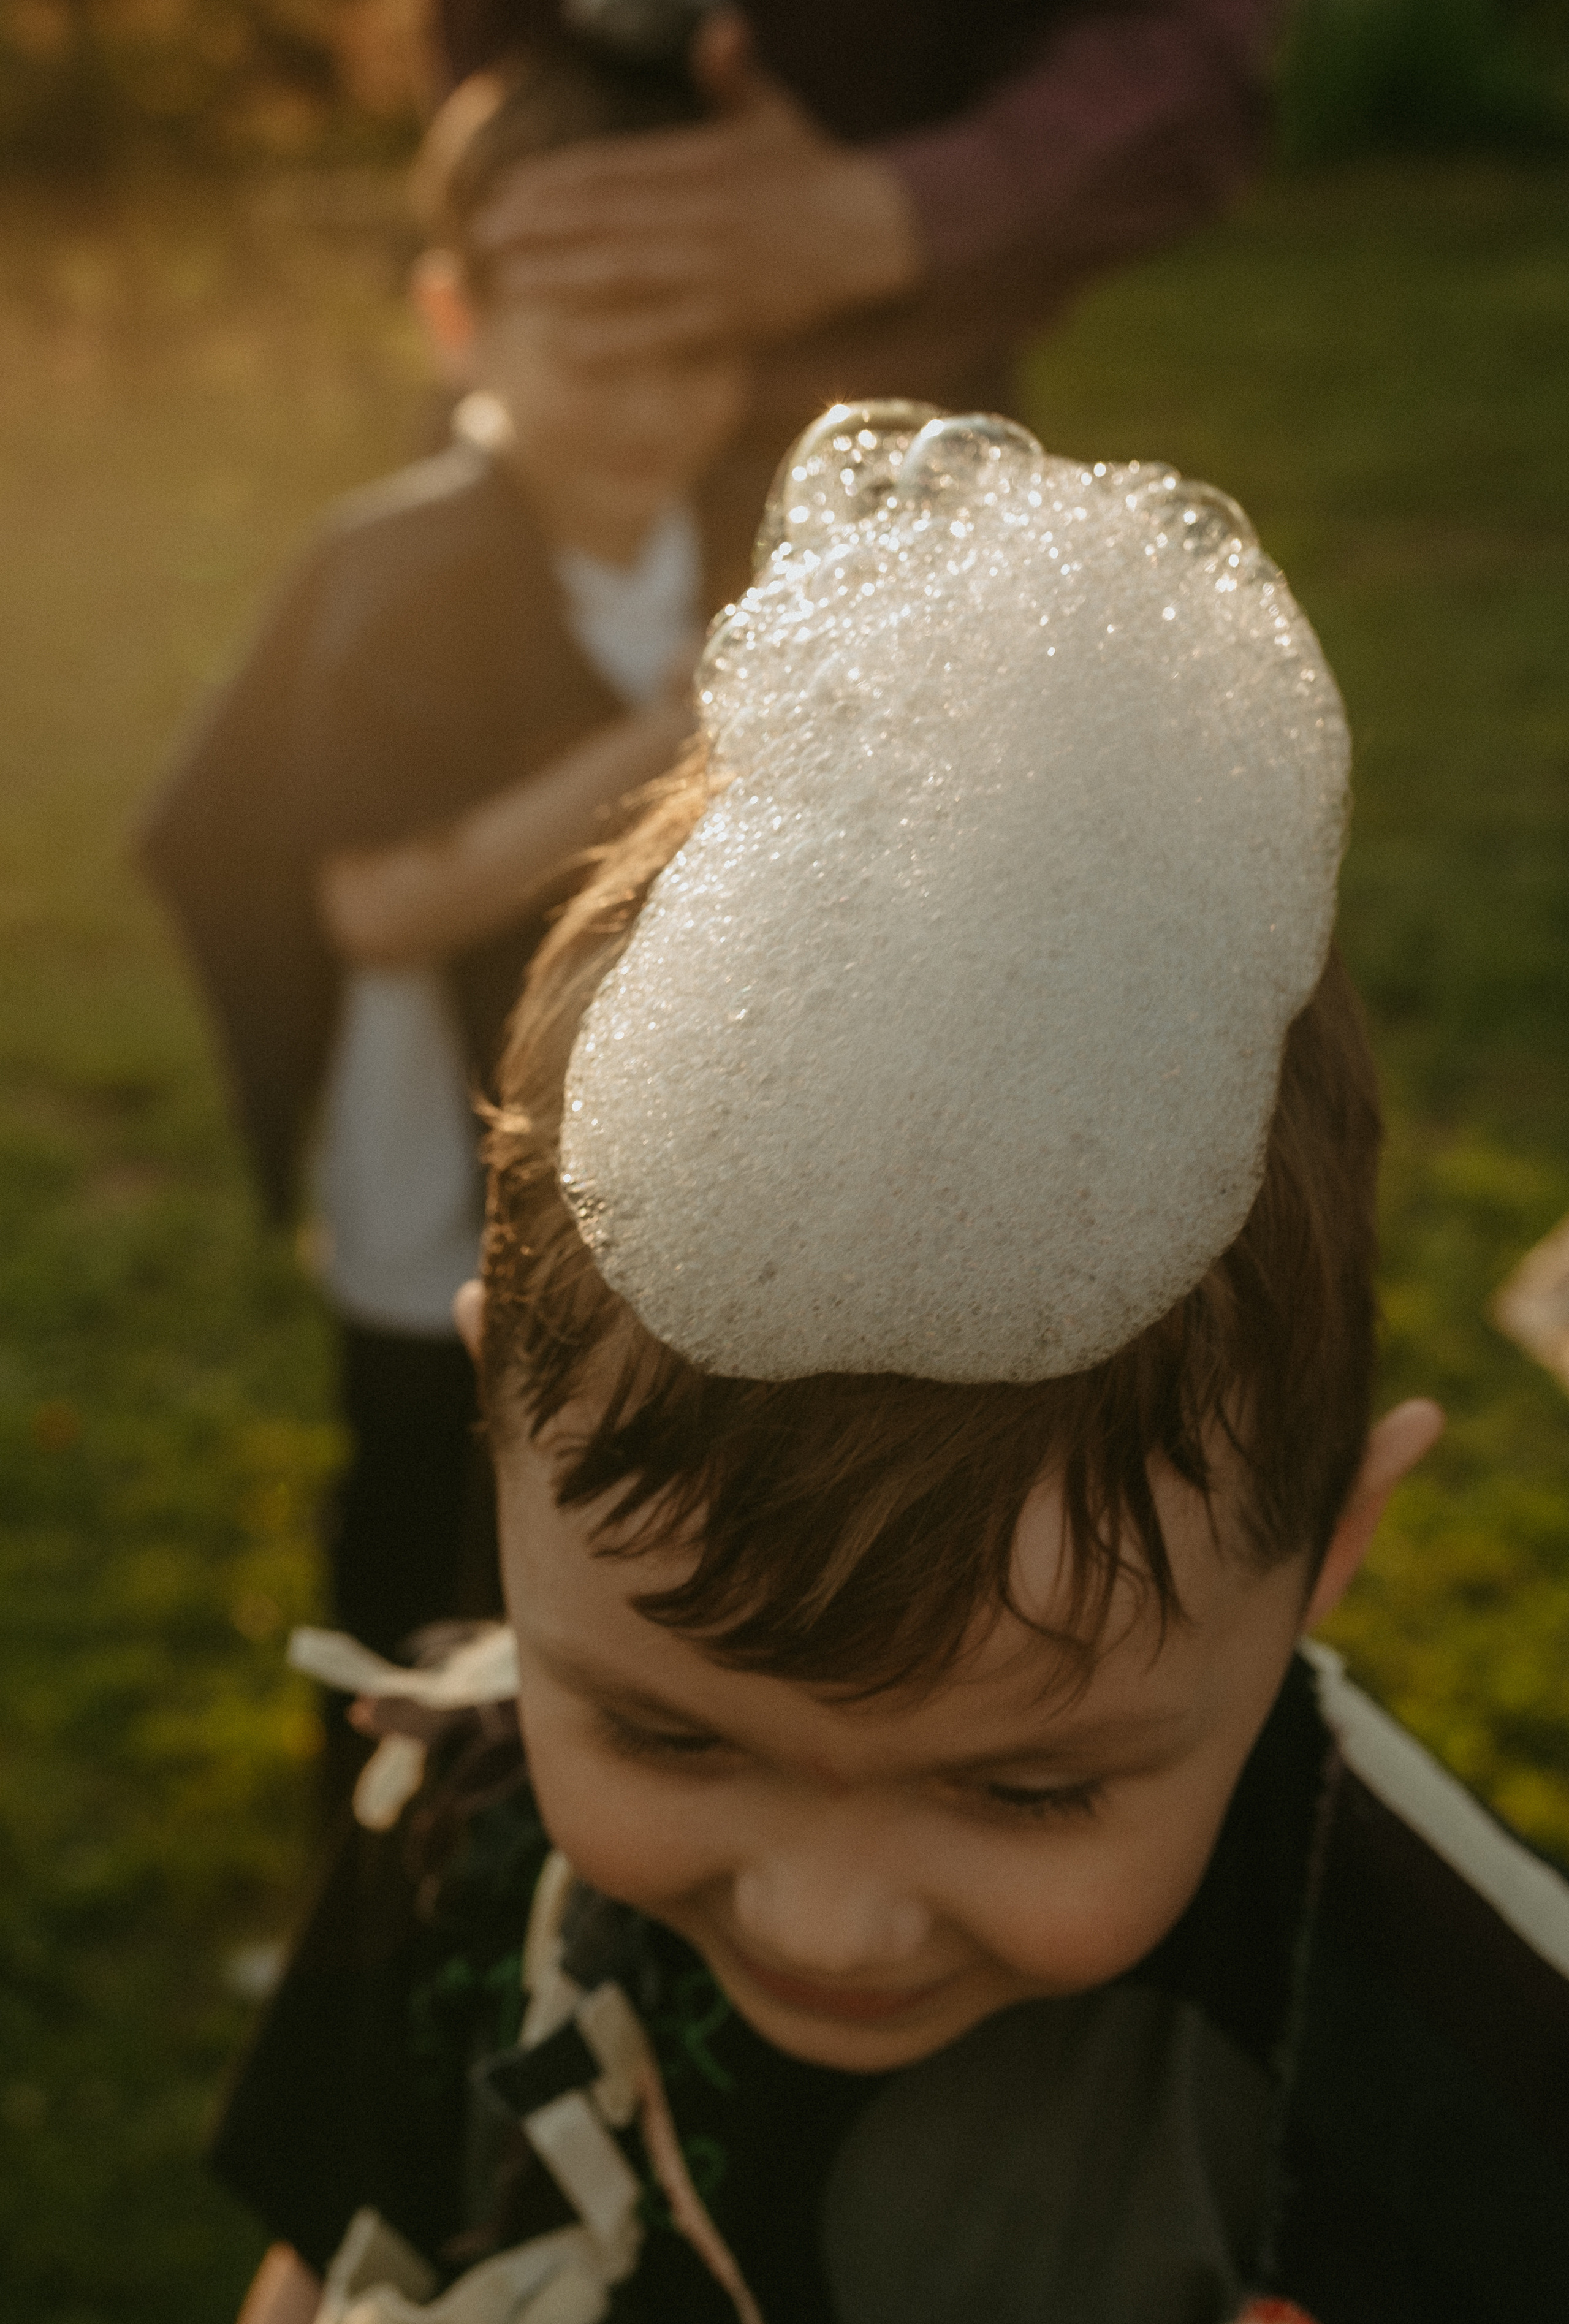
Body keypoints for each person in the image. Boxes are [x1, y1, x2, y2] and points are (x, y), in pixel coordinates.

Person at [215, 408, 1569, 2323]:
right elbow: (336, 2252)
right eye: (671, 1732)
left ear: (1330, 1555)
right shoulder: (457, 1813)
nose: (823, 1922)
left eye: (1027, 1794)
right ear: (492, 1450)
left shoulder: (1460, 2024)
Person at [141, 31, 743, 1794]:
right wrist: (666, 740)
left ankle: (577, 1794)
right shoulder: (392, 568)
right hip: (442, 1159)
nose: (649, 400)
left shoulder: (735, 545)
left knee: (623, 1479)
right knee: (424, 1495)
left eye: (692, 348)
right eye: (593, 351)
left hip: (653, 1142)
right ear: (459, 320)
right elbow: (377, 899)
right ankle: (379, 1824)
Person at [429, 0, 1286, 599]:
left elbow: (1181, 40)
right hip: (526, 449)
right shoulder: (408, 579)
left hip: (888, 441)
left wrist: (889, 216)